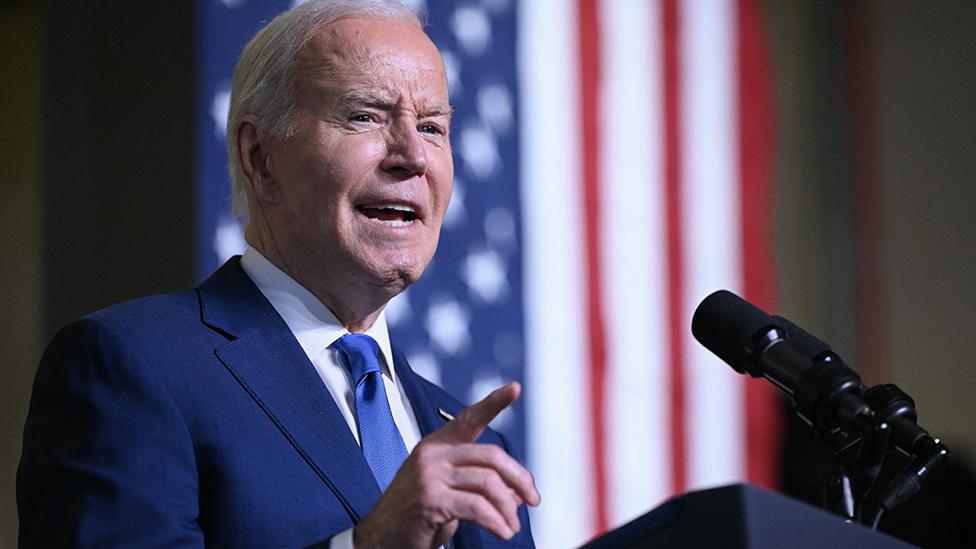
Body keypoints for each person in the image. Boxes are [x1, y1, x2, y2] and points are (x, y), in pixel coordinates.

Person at [17, 1, 539, 547]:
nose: (412, 155)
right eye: (365, 116)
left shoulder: (477, 448)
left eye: (433, 127)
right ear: (260, 157)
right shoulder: (132, 368)